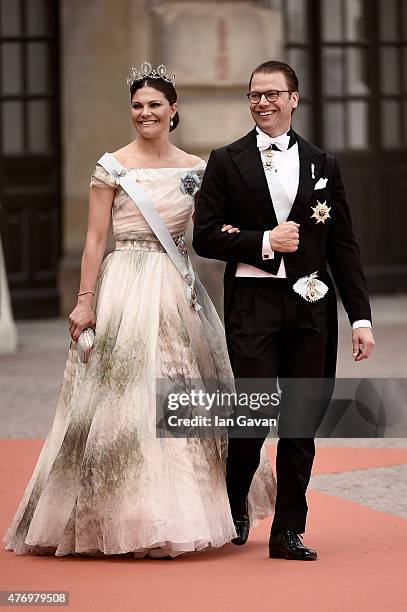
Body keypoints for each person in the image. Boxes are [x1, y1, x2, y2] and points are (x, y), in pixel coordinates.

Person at [3, 61, 275, 559]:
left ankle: (180, 515)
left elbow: (216, 229)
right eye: (137, 105)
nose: (144, 113)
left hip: (176, 289)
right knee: (120, 403)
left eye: (154, 105)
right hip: (124, 286)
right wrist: (85, 302)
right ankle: (118, 515)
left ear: (174, 110)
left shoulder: (197, 169)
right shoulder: (111, 166)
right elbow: (92, 241)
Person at [193, 60, 375, 560]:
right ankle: (234, 504)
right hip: (253, 309)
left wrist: (360, 318)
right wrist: (264, 242)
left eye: (273, 94)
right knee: (251, 418)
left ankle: (288, 530)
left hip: (312, 312)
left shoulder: (324, 165)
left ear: (294, 98)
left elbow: (345, 247)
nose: (263, 102)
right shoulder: (226, 161)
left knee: (300, 423)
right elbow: (204, 236)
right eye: (255, 95)